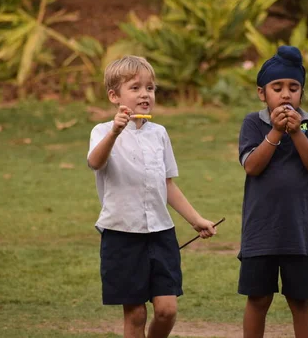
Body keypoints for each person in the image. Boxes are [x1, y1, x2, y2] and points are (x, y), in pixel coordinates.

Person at [87, 55, 217, 338]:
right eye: (135, 87)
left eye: (150, 88)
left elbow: (167, 184)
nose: (145, 94)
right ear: (114, 95)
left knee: (167, 310)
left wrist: (196, 220)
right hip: (121, 234)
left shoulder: (159, 134)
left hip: (161, 234)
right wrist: (115, 131)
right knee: (135, 315)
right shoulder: (101, 131)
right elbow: (95, 162)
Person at [237, 46, 308, 338]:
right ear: (262, 93)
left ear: (302, 92)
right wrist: (276, 132)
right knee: (258, 298)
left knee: (301, 299)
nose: (286, 94)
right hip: (260, 231)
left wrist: (296, 132)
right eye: (277, 87)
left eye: (294, 87)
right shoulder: (253, 123)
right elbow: (252, 166)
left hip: (300, 231)